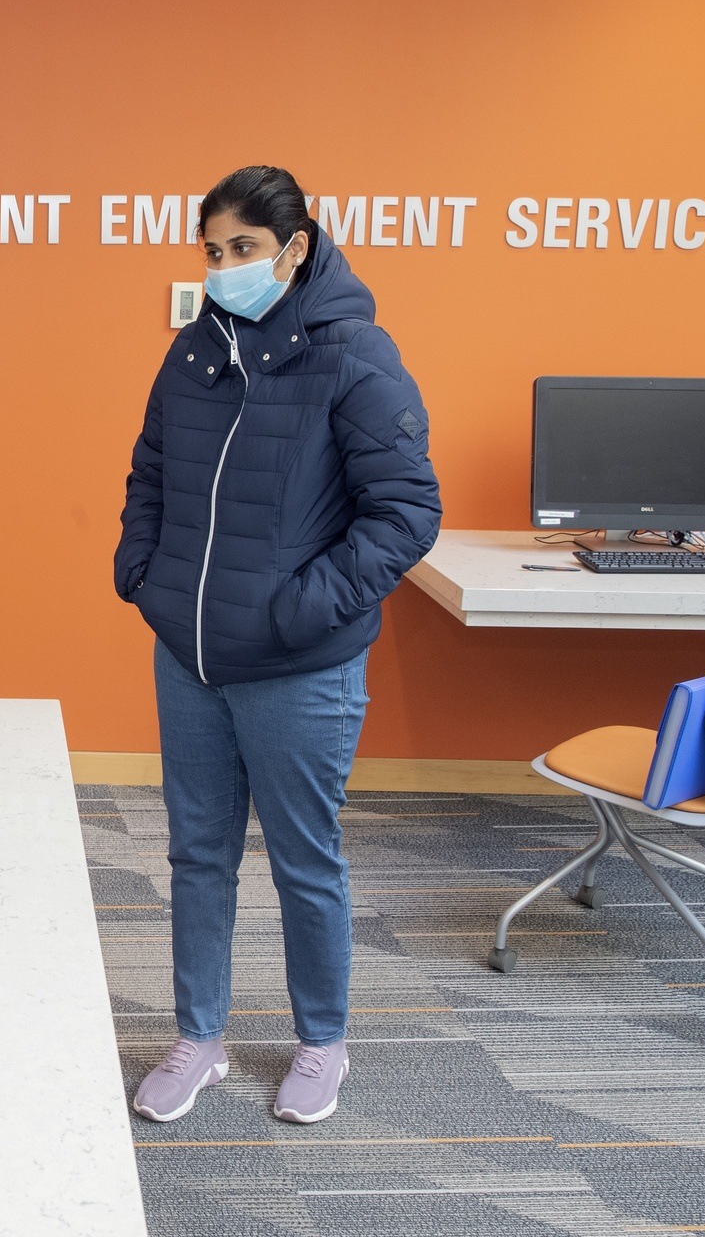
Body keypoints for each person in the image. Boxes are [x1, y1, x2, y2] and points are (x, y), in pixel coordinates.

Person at [114, 166, 441, 1123]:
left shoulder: (357, 356)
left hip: (301, 669)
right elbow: (148, 475)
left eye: (243, 250)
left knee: (306, 860)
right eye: (212, 253)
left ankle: (320, 1043)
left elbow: (407, 513)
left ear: (294, 250)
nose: (224, 269)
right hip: (192, 659)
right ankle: (199, 1038)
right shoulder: (192, 353)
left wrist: (301, 609)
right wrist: (146, 577)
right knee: (198, 856)